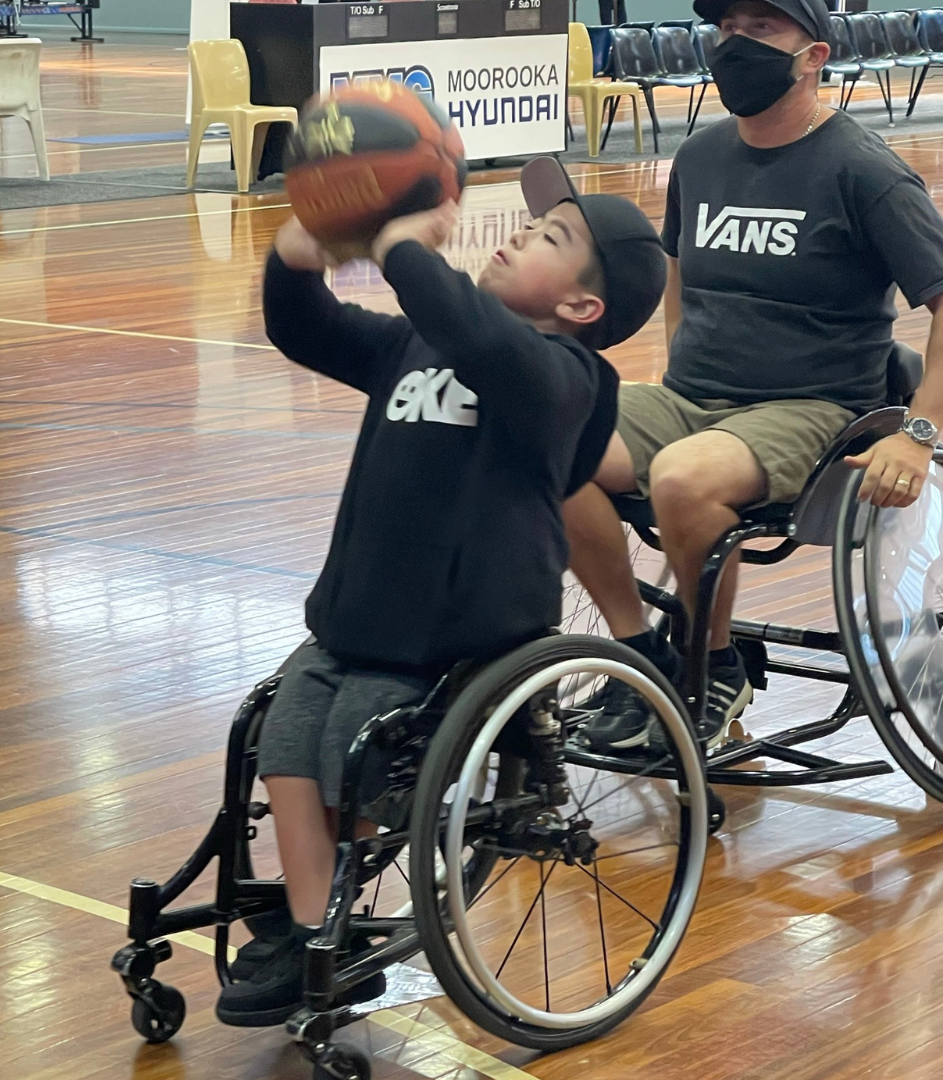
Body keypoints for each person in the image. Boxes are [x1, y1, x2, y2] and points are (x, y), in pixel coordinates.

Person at [215, 156, 666, 1026]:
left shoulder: (568, 380)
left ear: (582, 308)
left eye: (553, 238)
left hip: (454, 634)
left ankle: (327, 921)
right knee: (286, 740)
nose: (525, 233)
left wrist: (401, 252)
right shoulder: (417, 342)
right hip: (356, 616)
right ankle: (318, 932)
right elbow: (305, 330)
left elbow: (488, 344)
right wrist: (298, 257)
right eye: (533, 223)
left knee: (352, 748)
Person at [565, 0, 943, 754]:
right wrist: (682, 365)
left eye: (761, 30)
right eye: (728, 29)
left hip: (814, 408)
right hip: (689, 397)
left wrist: (919, 435)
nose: (734, 44)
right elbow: (679, 274)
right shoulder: (701, 157)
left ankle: (716, 664)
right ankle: (642, 651)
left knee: (681, 478)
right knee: (540, 429)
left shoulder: (866, 173)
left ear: (814, 56)